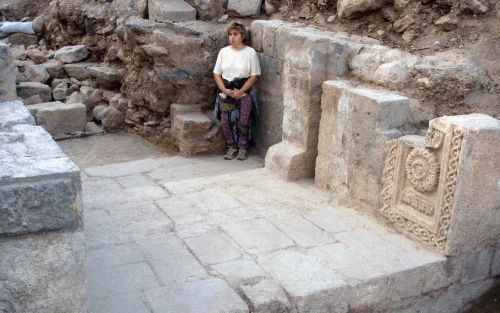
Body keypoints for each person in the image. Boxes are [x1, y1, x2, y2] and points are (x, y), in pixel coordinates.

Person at [213, 22, 261, 161]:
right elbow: (217, 73)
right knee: (226, 121)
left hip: (243, 92)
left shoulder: (250, 53)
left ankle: (243, 147)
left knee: (243, 121)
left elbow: (255, 75)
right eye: (230, 34)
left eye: (235, 34)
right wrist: (223, 89)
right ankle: (231, 146)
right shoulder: (224, 52)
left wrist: (240, 92)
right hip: (225, 91)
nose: (232, 37)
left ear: (242, 35)